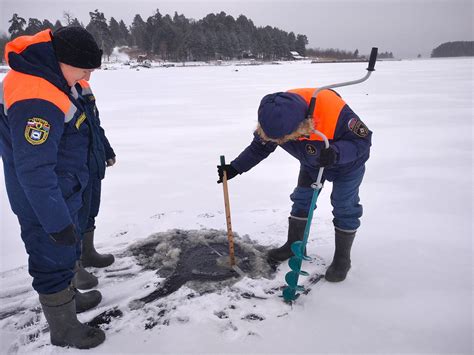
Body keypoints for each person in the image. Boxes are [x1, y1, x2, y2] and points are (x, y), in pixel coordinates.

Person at [0, 27, 106, 349]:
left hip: (59, 191)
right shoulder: (37, 96)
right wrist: (56, 220)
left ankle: (68, 303)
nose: (88, 75)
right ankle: (63, 329)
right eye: (85, 68)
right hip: (43, 200)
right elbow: (34, 169)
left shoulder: (53, 80)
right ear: (64, 60)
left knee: (63, 255)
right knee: (51, 256)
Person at [218, 89, 372, 282]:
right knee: (301, 200)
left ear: (302, 125)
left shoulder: (336, 113)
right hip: (311, 164)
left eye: (284, 139)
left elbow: (364, 140)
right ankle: (294, 246)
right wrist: (235, 168)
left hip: (348, 165)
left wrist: (336, 152)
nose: (280, 143)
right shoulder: (273, 117)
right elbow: (260, 147)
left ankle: (342, 259)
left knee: (344, 206)